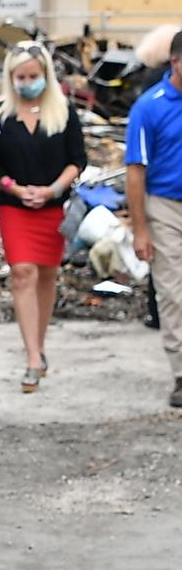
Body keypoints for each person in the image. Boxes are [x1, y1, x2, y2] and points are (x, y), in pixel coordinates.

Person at [0, 41, 86, 393]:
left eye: (33, 76)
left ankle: (40, 345)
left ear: (45, 75)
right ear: (10, 78)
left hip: (52, 206)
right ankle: (31, 356)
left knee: (47, 274)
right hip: (14, 206)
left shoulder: (63, 113)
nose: (27, 82)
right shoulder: (0, 115)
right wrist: (15, 189)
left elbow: (77, 159)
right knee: (22, 272)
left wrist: (53, 189)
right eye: (21, 77)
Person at [126, 30, 182, 408]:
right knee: (174, 292)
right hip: (166, 205)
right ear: (175, 62)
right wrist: (140, 228)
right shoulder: (151, 106)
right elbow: (135, 170)